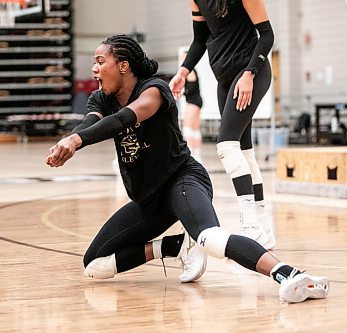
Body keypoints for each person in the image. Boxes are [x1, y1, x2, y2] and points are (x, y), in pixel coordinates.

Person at [46, 34, 329, 303]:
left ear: (123, 66)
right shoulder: (101, 98)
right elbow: (90, 123)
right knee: (94, 265)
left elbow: (124, 119)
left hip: (182, 180)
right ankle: (174, 247)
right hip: (149, 199)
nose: (94, 69)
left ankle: (290, 275)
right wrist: (74, 137)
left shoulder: (155, 89)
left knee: (210, 237)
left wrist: (77, 140)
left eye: (99, 61)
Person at [169, 0, 275, 249]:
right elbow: (200, 40)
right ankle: (262, 226)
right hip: (224, 78)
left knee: (227, 145)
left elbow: (267, 35)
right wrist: (183, 72)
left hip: (250, 72)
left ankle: (250, 224)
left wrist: (250, 74)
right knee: (244, 151)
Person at [182, 69, 203, 162]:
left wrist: (182, 92)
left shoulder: (189, 71)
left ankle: (190, 155)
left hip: (193, 101)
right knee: (195, 130)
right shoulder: (191, 71)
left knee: (187, 128)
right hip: (196, 101)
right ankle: (197, 156)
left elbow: (191, 88)